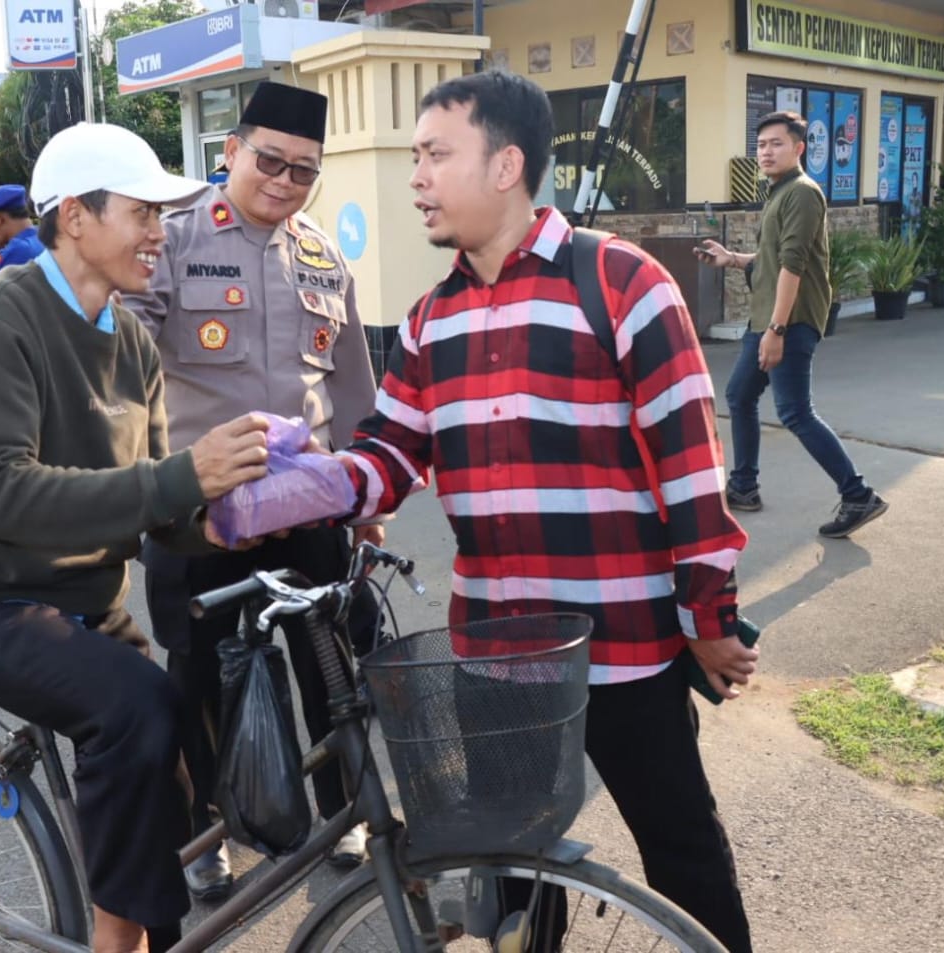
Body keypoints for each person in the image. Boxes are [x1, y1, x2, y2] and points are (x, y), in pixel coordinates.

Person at [324, 71, 758, 952]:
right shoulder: (428, 320)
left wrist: (707, 618)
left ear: (506, 164)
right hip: (497, 656)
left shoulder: (622, 283)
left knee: (681, 850)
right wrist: (291, 484)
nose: (417, 178)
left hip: (627, 648)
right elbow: (387, 458)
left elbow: (691, 473)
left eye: (435, 155)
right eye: (415, 157)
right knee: (509, 869)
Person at [0, 121, 274, 953]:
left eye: (161, 215)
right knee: (134, 706)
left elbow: (154, 505)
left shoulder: (132, 336)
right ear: (75, 217)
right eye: (142, 213)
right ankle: (116, 945)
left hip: (82, 602)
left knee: (190, 730)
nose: (158, 233)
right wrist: (181, 478)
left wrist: (233, 515)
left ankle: (145, 927)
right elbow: (1, 494)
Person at [122, 80, 381, 900]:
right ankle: (207, 834)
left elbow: (351, 388)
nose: (284, 180)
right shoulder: (173, 237)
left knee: (327, 663)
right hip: (199, 511)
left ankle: (345, 810)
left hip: (305, 506)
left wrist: (365, 498)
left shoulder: (320, 254)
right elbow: (122, 369)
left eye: (305, 170)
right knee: (196, 676)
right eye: (269, 159)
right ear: (229, 150)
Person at [696, 110, 888, 539]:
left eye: (776, 143)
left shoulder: (801, 192)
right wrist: (731, 258)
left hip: (789, 320)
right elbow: (771, 260)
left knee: (795, 411)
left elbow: (793, 266)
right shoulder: (779, 192)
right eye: (761, 144)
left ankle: (857, 494)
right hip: (765, 318)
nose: (766, 151)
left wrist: (776, 331)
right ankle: (744, 487)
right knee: (740, 395)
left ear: (799, 148)